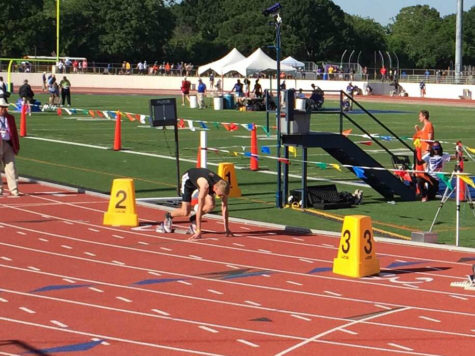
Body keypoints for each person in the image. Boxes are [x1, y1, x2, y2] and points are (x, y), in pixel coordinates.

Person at [158, 168, 232, 240]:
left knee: (211, 205)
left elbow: (224, 207)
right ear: (215, 188)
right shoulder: (205, 187)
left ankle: (193, 218)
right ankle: (169, 216)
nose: (221, 197)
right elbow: (200, 207)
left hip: (202, 182)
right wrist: (198, 230)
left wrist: (227, 229)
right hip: (188, 181)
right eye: (220, 195)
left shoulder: (223, 186)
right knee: (186, 212)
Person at [0, 98, 21, 196]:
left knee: (11, 167)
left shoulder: (10, 118)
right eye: (2, 107)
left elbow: (14, 133)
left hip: (8, 144)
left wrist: (16, 146)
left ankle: (14, 189)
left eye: (5, 107)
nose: (4, 109)